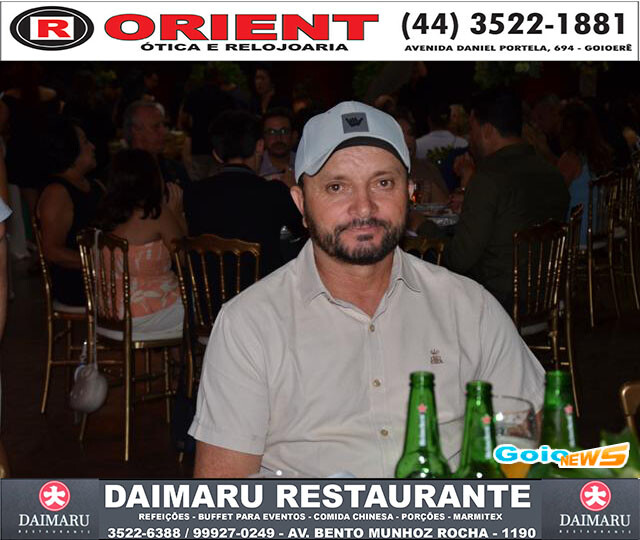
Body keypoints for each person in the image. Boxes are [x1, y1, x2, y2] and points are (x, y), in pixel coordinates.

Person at [190, 101, 545, 478]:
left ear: (409, 193)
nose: (363, 208)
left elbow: (527, 435)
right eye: (337, 186)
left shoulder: (469, 307)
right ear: (301, 204)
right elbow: (222, 491)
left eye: (383, 183)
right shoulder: (249, 325)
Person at [412, 90, 570, 313]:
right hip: (546, 294)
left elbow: (458, 259)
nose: (470, 139)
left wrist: (422, 225)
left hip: (498, 303)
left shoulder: (488, 178)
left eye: (472, 130)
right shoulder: (552, 174)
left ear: (486, 131)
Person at [183, 110, 304, 277]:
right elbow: (304, 227)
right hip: (262, 290)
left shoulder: (193, 193)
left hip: (208, 289)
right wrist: (294, 191)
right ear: (260, 146)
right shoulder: (273, 193)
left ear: (216, 155)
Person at [94, 149, 185, 338]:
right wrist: (177, 214)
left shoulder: (105, 215)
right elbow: (185, 259)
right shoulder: (155, 214)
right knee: (201, 305)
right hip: (147, 313)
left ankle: (169, 356)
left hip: (108, 311)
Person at [36, 116, 103, 308]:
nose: (93, 147)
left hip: (101, 274)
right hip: (79, 281)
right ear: (70, 152)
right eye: (85, 142)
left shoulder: (94, 185)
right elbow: (52, 251)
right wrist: (101, 263)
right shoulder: (57, 193)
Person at [557, 101, 613, 246]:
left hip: (578, 236)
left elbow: (554, 196)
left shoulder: (571, 159)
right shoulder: (601, 155)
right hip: (600, 229)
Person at [181, 66, 236, 181]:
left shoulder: (194, 94)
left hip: (198, 144)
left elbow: (184, 118)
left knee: (198, 180)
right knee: (216, 181)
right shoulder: (225, 97)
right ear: (218, 78)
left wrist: (190, 132)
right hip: (219, 146)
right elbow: (232, 121)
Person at [123, 100, 191, 188]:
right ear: (135, 131)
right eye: (156, 126)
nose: (164, 132)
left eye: (164, 125)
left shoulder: (174, 170)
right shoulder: (121, 175)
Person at [394, 112, 448, 204]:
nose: (408, 140)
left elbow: (446, 206)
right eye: (400, 135)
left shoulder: (428, 169)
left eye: (410, 134)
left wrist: (431, 187)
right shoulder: (382, 171)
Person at [259, 107, 297, 187]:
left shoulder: (303, 164)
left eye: (284, 131)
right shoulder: (256, 167)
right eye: (271, 132)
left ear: (293, 135)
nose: (278, 138)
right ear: (263, 137)